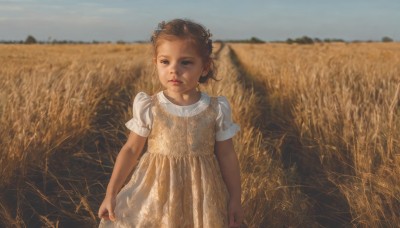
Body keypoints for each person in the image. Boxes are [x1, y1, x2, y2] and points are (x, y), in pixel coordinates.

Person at [98, 18, 244, 228]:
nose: (174, 70)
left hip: (202, 199)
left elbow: (227, 155)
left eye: (185, 62)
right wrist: (111, 193)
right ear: (155, 63)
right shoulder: (149, 107)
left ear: (205, 67)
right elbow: (130, 150)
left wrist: (235, 198)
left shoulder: (216, 109)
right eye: (165, 62)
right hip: (155, 196)